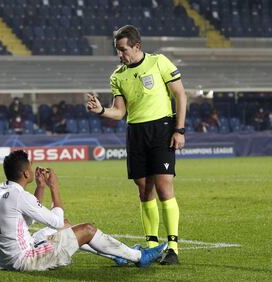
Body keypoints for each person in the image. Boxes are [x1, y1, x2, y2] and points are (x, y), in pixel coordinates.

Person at [87, 25, 187, 265]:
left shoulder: (159, 62)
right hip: (136, 132)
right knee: (144, 190)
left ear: (137, 46)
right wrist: (101, 110)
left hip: (162, 129)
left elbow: (180, 95)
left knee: (164, 186)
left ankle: (172, 247)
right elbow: (120, 112)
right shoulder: (117, 76)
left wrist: (179, 129)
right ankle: (152, 245)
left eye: (123, 50)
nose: (120, 55)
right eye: (117, 51)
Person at [0, 150, 167, 272]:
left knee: (67, 227)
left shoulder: (0, 190)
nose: (33, 170)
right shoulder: (20, 197)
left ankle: (118, 256)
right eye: (30, 167)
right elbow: (55, 220)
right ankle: (139, 257)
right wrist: (54, 187)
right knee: (86, 229)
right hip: (25, 260)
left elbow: (30, 216)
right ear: (26, 174)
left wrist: (40, 186)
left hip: (8, 259)